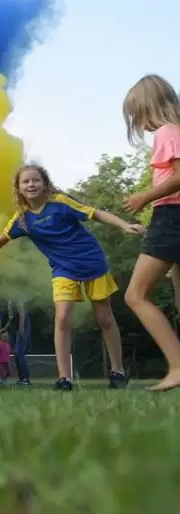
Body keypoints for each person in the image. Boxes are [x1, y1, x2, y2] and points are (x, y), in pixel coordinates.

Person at [0, 164, 144, 391]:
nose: (31, 184)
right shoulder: (22, 219)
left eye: (35, 180)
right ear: (18, 188)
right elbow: (3, 237)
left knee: (105, 318)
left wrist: (124, 225)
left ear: (44, 184)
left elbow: (95, 213)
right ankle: (64, 379)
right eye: (25, 181)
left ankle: (118, 372)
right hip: (63, 270)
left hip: (92, 263)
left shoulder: (60, 203)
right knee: (62, 318)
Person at [121, 74, 180, 391]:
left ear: (151, 107)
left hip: (171, 216)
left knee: (136, 295)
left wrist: (145, 196)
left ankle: (178, 366)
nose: (140, 124)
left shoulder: (167, 132)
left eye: (138, 115)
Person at [5, 299, 32, 386]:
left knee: (19, 352)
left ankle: (25, 378)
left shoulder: (16, 296)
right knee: (16, 353)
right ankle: (22, 378)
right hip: (15, 325)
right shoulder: (9, 300)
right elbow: (12, 317)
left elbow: (22, 312)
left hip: (22, 325)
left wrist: (21, 327)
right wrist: (5, 328)